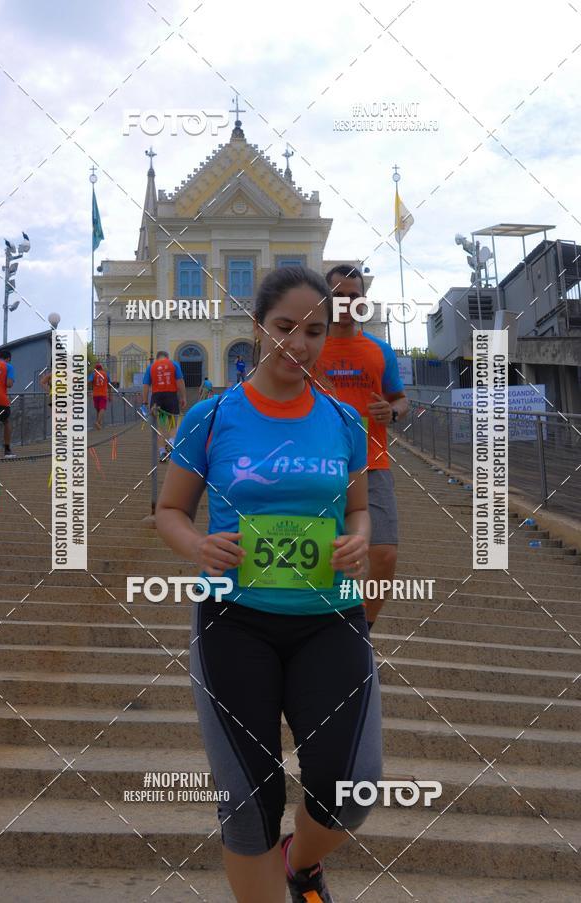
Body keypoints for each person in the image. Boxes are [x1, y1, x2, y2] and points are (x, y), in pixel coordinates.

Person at [156, 266, 381, 903]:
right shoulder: (210, 416)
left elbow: (359, 507)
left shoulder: (343, 419)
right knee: (249, 799)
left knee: (352, 783)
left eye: (314, 330)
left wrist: (358, 537)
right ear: (257, 328)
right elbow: (168, 511)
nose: (298, 343)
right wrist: (199, 545)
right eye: (284, 327)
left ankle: (301, 864)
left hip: (329, 618)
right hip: (234, 619)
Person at [318, 264, 409, 632]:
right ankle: (321, 629)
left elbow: (401, 399)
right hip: (321, 466)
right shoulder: (311, 346)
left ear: (363, 301)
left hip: (373, 464)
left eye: (353, 296)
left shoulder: (380, 351)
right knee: (324, 557)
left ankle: (361, 630)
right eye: (337, 296)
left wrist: (392, 411)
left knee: (384, 554)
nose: (345, 302)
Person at [141, 351, 187, 462]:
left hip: (157, 398)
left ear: (157, 358)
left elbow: (146, 385)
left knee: (160, 427)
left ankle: (162, 452)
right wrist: (183, 397)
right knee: (173, 425)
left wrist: (145, 401)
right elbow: (180, 381)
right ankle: (171, 442)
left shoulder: (151, 367)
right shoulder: (174, 364)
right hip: (171, 396)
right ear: (167, 357)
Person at [88, 362, 110, 430]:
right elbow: (109, 385)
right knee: (102, 408)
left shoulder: (93, 374)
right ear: (101, 368)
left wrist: (90, 388)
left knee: (98, 409)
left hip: (95, 394)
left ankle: (99, 425)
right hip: (103, 394)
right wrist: (110, 394)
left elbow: (89, 382)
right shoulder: (106, 374)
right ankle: (98, 422)